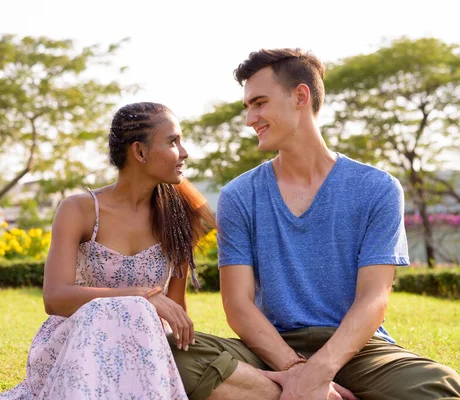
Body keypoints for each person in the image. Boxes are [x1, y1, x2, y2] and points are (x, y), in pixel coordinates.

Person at [169, 48, 460, 400]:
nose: (250, 118)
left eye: (258, 102)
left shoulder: (377, 188)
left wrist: (320, 371)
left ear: (300, 96)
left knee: (441, 386)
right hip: (268, 348)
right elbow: (238, 304)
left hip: (356, 348)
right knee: (169, 353)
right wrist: (295, 372)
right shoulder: (239, 195)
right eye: (247, 106)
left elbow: (374, 297)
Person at [0, 102, 215, 400]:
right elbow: (55, 299)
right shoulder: (79, 209)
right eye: (173, 141)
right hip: (75, 346)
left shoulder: (179, 215)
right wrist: (141, 295)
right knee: (134, 307)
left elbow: (175, 313)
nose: (184, 152)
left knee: (138, 311)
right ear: (139, 152)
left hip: (141, 351)